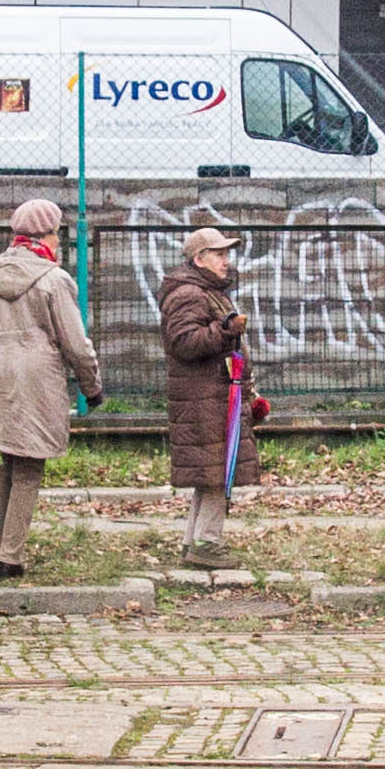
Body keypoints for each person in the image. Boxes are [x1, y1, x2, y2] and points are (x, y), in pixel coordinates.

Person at [0, 197, 99, 574]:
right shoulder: (54, 281)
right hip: (36, 381)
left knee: (9, 460)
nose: (58, 242)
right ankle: (11, 557)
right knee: (29, 467)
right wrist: (92, 386)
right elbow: (75, 343)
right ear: (46, 235)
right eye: (56, 234)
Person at [161, 222, 250, 562]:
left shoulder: (207, 290)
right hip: (203, 397)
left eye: (227, 253)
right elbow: (183, 342)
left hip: (212, 394)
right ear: (199, 259)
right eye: (219, 254)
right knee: (215, 470)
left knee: (209, 471)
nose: (226, 260)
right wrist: (225, 329)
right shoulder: (189, 294)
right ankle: (207, 544)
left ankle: (192, 543)